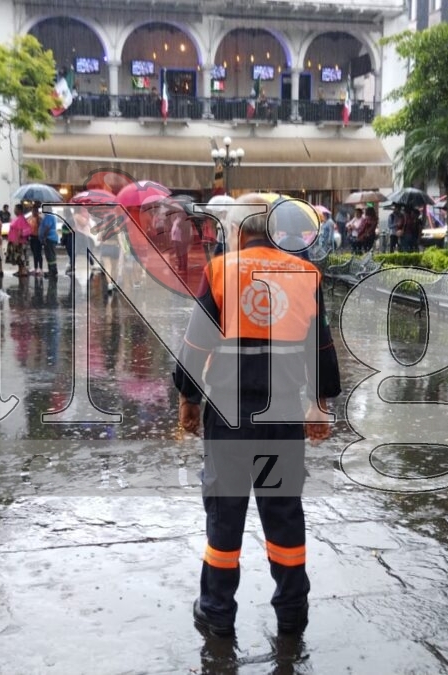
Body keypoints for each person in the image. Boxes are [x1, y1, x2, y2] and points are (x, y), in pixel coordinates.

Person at [174, 194, 341, 638]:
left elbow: (195, 344)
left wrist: (188, 399)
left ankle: (216, 610)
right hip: (282, 415)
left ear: (235, 232)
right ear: (273, 231)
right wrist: (320, 405)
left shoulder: (220, 271)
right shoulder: (305, 276)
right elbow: (321, 348)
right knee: (283, 513)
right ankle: (291, 613)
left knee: (224, 513)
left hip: (228, 415)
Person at [7, 203, 32, 277]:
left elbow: (20, 230)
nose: (14, 210)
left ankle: (23, 271)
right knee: (18, 257)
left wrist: (17, 240)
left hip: (19, 242)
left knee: (20, 256)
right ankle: (20, 270)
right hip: (14, 240)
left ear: (19, 210)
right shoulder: (17, 218)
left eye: (15, 209)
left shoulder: (21, 219)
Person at [39, 204, 60, 277]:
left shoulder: (49, 217)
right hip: (51, 238)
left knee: (50, 255)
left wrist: (44, 237)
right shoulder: (50, 217)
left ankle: (52, 271)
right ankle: (53, 270)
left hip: (49, 238)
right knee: (51, 255)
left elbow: (47, 227)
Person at [26, 202, 45, 276]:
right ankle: (35, 267)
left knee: (38, 253)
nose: (34, 212)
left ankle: (40, 267)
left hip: (38, 237)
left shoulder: (39, 218)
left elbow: (41, 227)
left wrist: (38, 220)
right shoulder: (30, 218)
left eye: (35, 210)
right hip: (32, 237)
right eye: (33, 210)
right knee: (34, 253)